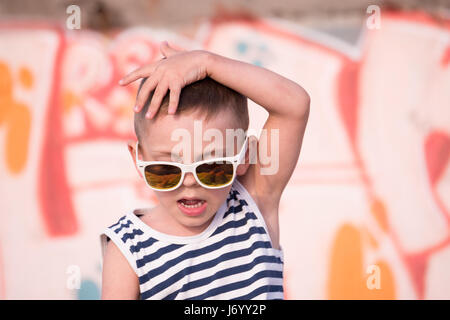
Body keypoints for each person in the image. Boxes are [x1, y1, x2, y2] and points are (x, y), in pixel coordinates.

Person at [99, 41, 310, 300]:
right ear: (138, 159)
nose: (189, 182)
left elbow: (294, 105)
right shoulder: (129, 249)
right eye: (166, 169)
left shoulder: (254, 200)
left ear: (244, 156)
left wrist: (208, 63)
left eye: (211, 167)